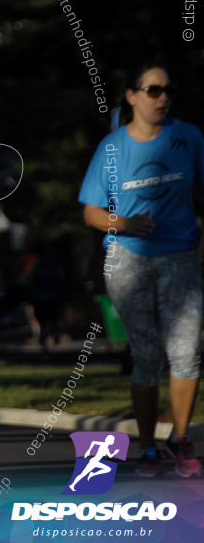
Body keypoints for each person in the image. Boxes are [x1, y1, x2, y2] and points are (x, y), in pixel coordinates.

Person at [79, 65, 204, 478]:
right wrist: (124, 224)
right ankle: (148, 447)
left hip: (181, 256)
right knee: (147, 355)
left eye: (167, 89)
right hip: (128, 259)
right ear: (132, 96)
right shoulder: (112, 149)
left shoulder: (188, 137)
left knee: (187, 352)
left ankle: (180, 439)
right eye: (152, 90)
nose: (162, 97)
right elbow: (92, 212)